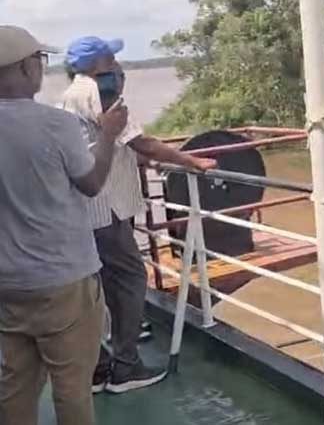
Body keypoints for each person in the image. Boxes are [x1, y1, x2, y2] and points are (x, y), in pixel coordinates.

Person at [59, 37, 217, 394]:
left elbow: (113, 144)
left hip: (88, 210)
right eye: (111, 58)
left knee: (98, 287)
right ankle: (126, 367)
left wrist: (140, 157)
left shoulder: (72, 93)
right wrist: (191, 160)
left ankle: (99, 367)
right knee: (130, 277)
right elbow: (138, 141)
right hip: (105, 209)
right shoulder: (98, 93)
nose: (117, 64)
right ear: (97, 63)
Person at [0, 25, 128, 425]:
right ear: (23, 68)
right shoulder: (54, 124)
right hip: (64, 278)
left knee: (14, 387)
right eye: (40, 61)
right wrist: (108, 136)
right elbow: (90, 185)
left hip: (8, 281)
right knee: (72, 387)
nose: (42, 69)